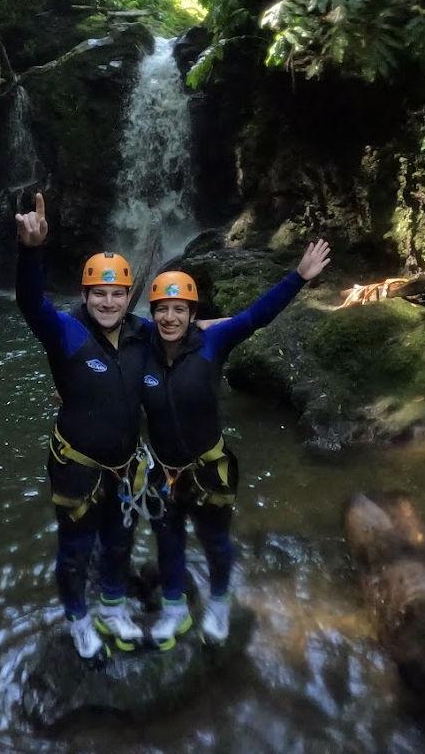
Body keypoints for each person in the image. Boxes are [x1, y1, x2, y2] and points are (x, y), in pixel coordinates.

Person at [141, 239, 333, 648]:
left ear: (193, 314)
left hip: (209, 469)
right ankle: (174, 609)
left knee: (214, 541)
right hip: (161, 469)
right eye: (163, 309)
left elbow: (255, 317)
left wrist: (298, 277)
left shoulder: (213, 342)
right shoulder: (142, 347)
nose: (170, 317)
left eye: (180, 309)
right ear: (152, 313)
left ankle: (220, 602)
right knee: (168, 540)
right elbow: (104, 325)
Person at [15, 191, 152, 658]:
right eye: (100, 294)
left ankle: (113, 607)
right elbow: (31, 304)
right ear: (86, 295)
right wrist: (31, 251)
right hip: (76, 466)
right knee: (75, 550)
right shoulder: (67, 332)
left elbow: (196, 332)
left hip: (126, 466)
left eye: (117, 294)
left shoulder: (142, 334)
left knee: (119, 542)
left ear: (129, 296)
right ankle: (77, 618)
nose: (109, 302)